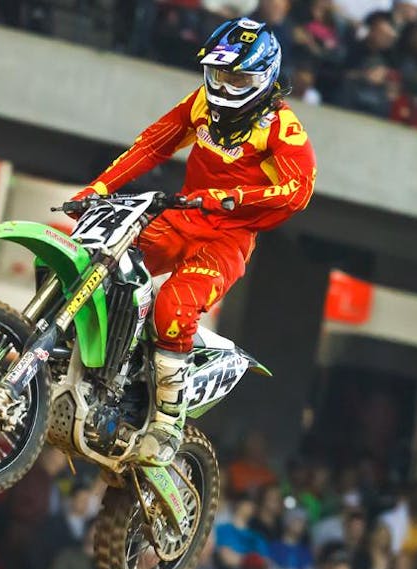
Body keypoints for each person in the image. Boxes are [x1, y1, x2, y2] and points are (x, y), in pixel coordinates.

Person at [71, 16, 316, 466]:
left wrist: (231, 198)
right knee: (104, 257)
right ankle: (91, 358)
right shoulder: (201, 102)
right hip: (183, 215)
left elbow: (297, 193)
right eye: (219, 74)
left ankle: (167, 422)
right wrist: (98, 188)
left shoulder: (283, 129)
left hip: (228, 237)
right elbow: (153, 144)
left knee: (174, 306)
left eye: (237, 78)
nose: (224, 86)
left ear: (264, 78)